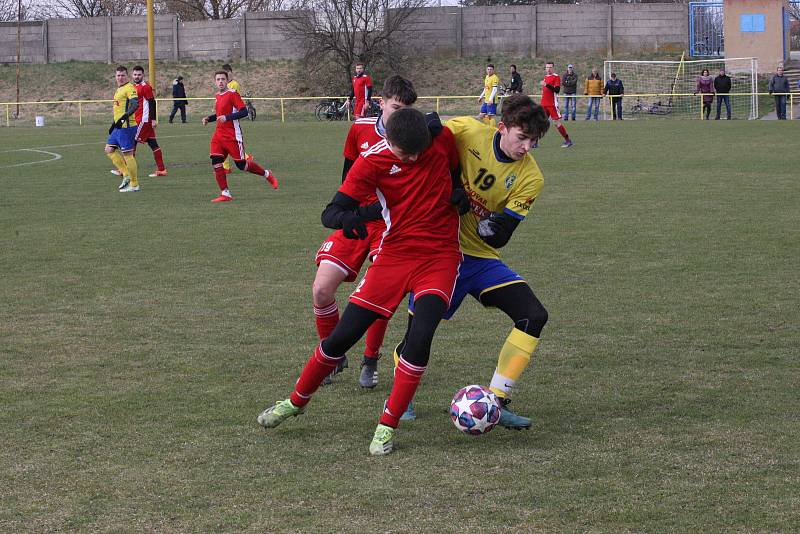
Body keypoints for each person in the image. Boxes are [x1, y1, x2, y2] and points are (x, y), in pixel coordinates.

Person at [257, 108, 468, 456]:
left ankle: (387, 426)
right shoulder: (372, 161)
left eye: (420, 150)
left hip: (440, 257)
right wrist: (349, 220)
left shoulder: (438, 138)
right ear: (388, 141)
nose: (414, 158)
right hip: (394, 255)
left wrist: (457, 191)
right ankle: (295, 402)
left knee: (421, 334)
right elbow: (331, 211)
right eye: (406, 152)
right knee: (341, 338)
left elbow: (453, 166)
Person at [395, 94, 551, 427]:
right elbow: (427, 130)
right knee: (417, 338)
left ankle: (497, 400)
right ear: (502, 126)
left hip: (480, 258)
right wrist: (430, 128)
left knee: (533, 315)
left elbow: (504, 233)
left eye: (533, 141)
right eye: (522, 137)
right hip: (438, 252)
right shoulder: (468, 130)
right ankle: (401, 397)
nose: (527, 147)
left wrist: (492, 227)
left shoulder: (531, 177)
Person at [313, 75, 418, 389]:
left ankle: (371, 360)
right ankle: (333, 355)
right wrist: (347, 214)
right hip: (358, 219)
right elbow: (349, 177)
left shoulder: (414, 138)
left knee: (379, 292)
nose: (399, 115)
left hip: (390, 224)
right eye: (395, 107)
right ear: (381, 102)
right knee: (321, 289)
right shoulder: (359, 128)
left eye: (405, 110)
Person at [202, 70, 278, 202]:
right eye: (218, 79)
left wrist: (227, 117)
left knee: (242, 166)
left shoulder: (232, 94)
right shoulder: (217, 96)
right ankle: (225, 193)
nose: (220, 81)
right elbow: (220, 115)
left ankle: (267, 174)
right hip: (218, 136)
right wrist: (209, 118)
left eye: (223, 79)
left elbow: (244, 112)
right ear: (215, 82)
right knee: (216, 162)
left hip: (232, 136)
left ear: (227, 81)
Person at [105, 65, 140, 193]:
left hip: (127, 127)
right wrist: (113, 124)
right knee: (109, 150)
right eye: (118, 75)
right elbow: (118, 109)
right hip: (118, 127)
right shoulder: (118, 89)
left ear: (127, 76)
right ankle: (125, 174)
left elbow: (135, 104)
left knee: (128, 155)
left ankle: (134, 184)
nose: (120, 78)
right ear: (115, 76)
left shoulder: (129, 88)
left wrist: (124, 118)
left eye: (123, 75)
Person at [131, 66, 167, 177]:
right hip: (138, 120)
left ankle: (125, 170)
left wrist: (153, 119)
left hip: (143, 120)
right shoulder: (132, 87)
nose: (137, 76)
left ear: (143, 75)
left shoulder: (145, 87)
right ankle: (162, 170)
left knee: (131, 142)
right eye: (135, 74)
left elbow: (152, 102)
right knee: (153, 144)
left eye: (139, 75)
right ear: (132, 75)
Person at [220, 64, 251, 173]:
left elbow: (231, 97)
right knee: (225, 141)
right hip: (225, 116)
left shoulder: (234, 84)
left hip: (231, 115)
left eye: (227, 73)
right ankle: (226, 167)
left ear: (230, 73)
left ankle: (245, 158)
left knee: (228, 141)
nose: (226, 76)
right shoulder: (225, 85)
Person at [539, 61, 573, 147]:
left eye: (550, 67)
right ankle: (535, 142)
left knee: (556, 122)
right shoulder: (545, 77)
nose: (548, 69)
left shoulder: (556, 77)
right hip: (544, 104)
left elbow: (557, 90)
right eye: (547, 67)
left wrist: (546, 84)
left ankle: (568, 140)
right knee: (540, 123)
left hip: (552, 104)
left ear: (553, 68)